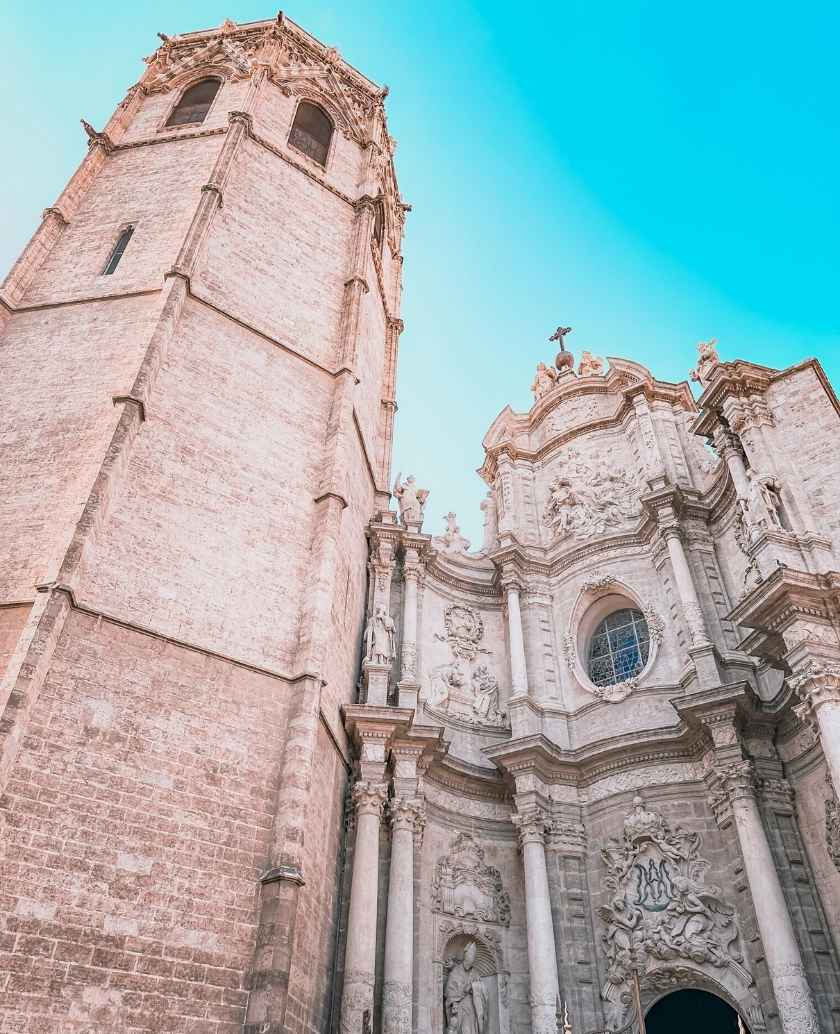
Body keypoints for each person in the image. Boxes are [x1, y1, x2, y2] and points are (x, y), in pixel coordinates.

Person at [444, 942, 487, 1034]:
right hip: (459, 1008)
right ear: (465, 954)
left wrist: (474, 987)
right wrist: (455, 1002)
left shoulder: (475, 973)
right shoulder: (455, 971)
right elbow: (449, 992)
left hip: (472, 1008)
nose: (472, 957)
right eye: (471, 954)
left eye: (474, 955)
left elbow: (483, 991)